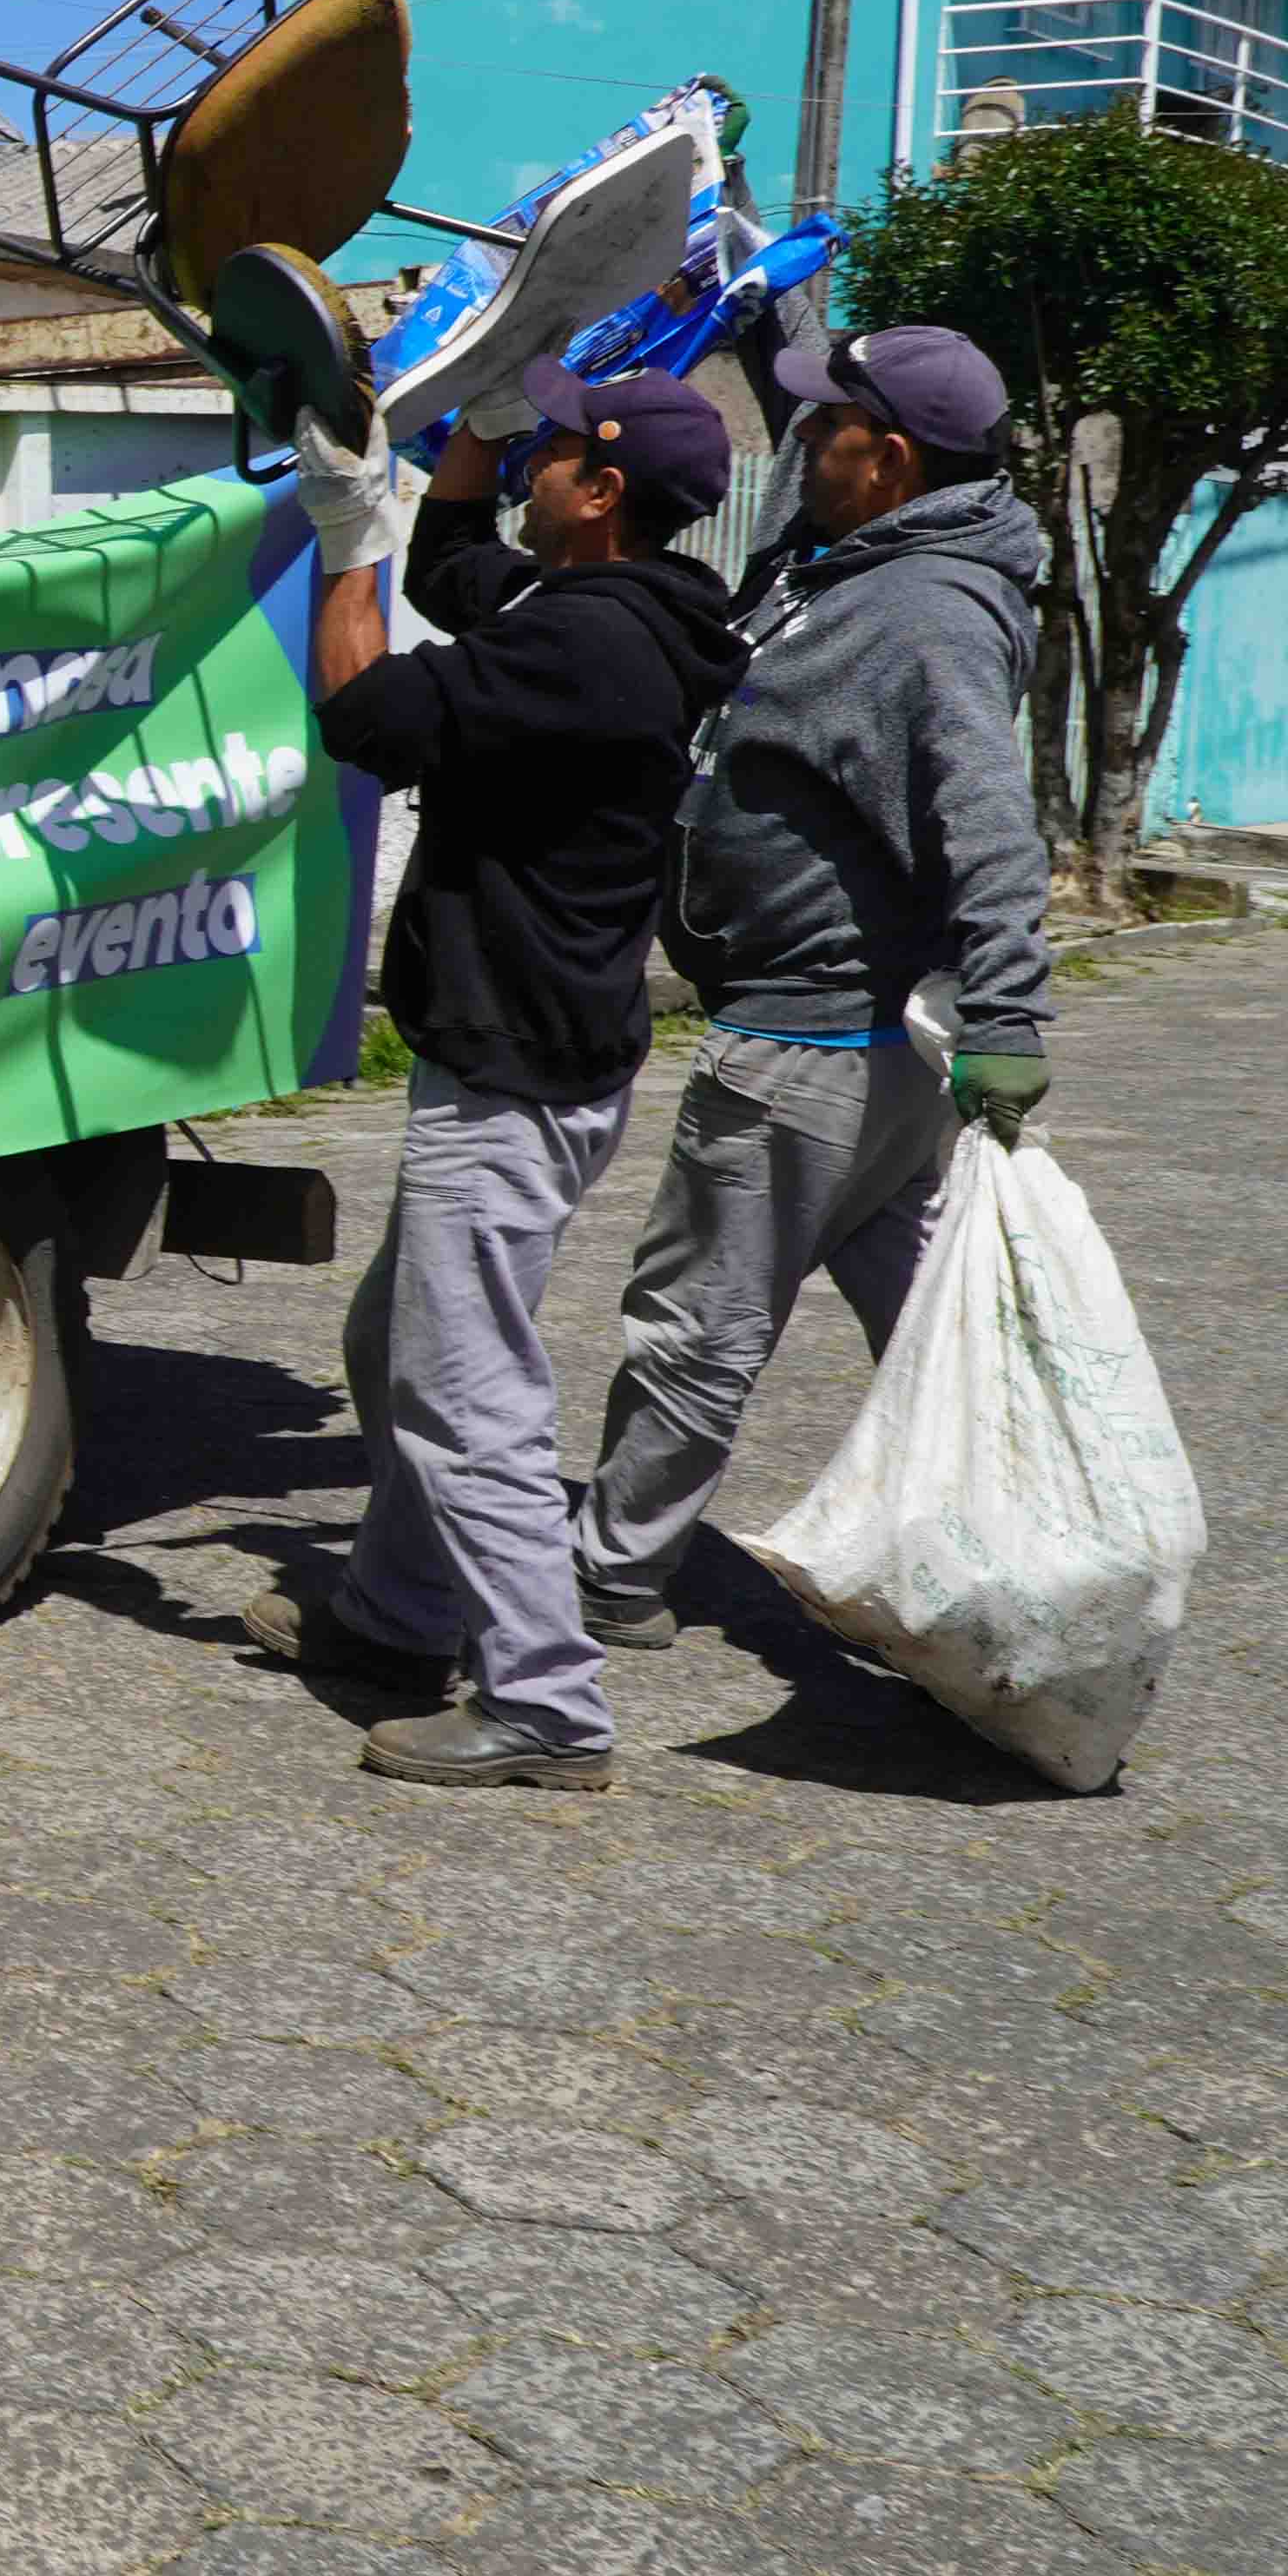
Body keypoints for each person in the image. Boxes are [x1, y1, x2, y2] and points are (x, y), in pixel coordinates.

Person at [258, 363, 746, 1790]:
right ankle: (400, 1615)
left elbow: (364, 718)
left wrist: (348, 533)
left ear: (602, 496)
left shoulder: (591, 648)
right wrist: (468, 414)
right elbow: (463, 564)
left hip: (514, 1071)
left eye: (546, 448)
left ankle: (546, 1705)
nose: (524, 460)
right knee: (395, 1350)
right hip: (540, 1053)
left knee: (469, 1398)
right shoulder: (613, 605)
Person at [570, 318, 1057, 1643]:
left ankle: (609, 1578)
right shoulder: (860, 563)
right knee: (935, 1340)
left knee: (699, 1326)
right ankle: (1021, 1557)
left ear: (889, 460)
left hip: (814, 1045)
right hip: (865, 1046)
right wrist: (761, 318)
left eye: (821, 431)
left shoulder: (925, 613)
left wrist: (1012, 1009)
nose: (795, 447)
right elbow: (785, 526)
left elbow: (992, 817)